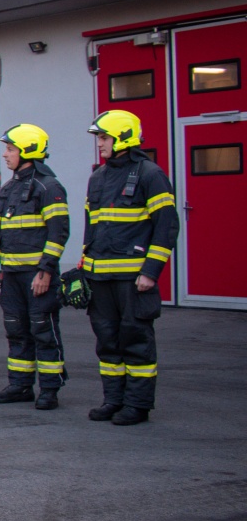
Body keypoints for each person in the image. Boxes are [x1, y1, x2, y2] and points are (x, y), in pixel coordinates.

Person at [83, 110, 177, 426]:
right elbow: (91, 227)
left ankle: (137, 405)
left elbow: (166, 226)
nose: (100, 144)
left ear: (123, 137)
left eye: (104, 138)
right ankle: (114, 400)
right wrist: (84, 269)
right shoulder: (97, 177)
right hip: (101, 277)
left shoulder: (150, 174)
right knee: (107, 340)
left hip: (134, 279)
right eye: (99, 138)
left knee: (135, 339)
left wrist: (151, 271)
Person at [0, 124, 71, 410]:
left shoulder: (49, 187)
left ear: (28, 152)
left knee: (43, 331)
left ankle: (49, 389)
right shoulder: (8, 188)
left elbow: (58, 233)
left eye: (10, 150)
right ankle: (20, 385)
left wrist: (45, 271)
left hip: (37, 278)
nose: (5, 155)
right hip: (11, 276)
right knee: (16, 330)